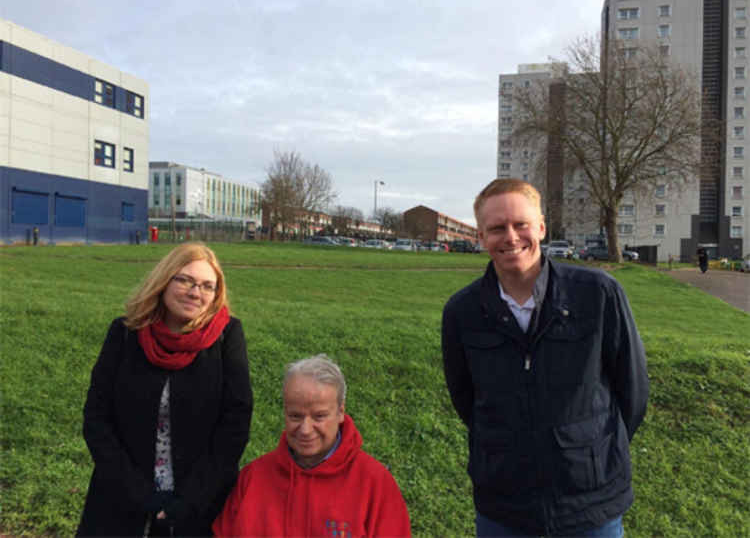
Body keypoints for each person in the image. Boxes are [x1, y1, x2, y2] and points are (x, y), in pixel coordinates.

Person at [442, 179, 649, 537]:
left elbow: (633, 390)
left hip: (590, 503)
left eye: (520, 224)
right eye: (496, 228)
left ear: (541, 226)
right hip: (503, 506)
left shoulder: (599, 295)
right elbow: (466, 400)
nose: (510, 237)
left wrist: (587, 449)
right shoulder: (462, 312)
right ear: (480, 237)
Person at [77, 242, 253, 537]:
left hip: (199, 506)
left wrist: (189, 500)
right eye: (185, 280)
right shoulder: (125, 333)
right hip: (121, 502)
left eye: (207, 286)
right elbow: (97, 418)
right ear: (164, 279)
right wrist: (140, 495)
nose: (195, 292)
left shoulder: (226, 337)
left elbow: (234, 426)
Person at [213, 354, 411, 537]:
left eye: (319, 416)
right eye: (295, 416)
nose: (305, 429)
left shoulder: (375, 484)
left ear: (340, 412)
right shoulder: (252, 478)